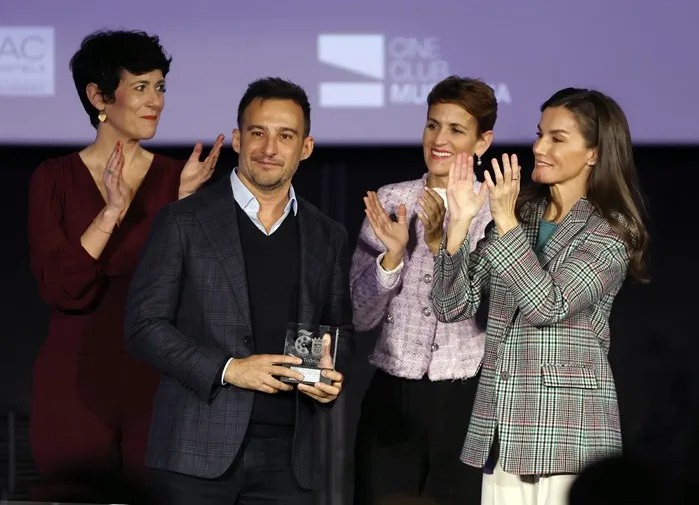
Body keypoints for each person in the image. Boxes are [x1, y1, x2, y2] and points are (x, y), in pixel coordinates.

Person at [125, 77, 353, 504]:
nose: (269, 148)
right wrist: (231, 368)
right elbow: (143, 326)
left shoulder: (329, 235)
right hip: (194, 452)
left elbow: (339, 329)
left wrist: (329, 374)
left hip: (289, 459)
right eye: (257, 132)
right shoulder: (184, 221)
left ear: (305, 147)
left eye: (285, 135)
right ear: (236, 139)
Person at [26, 29, 223, 502]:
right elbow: (61, 288)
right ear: (98, 96)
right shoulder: (53, 179)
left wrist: (184, 207)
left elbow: (197, 293)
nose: (155, 101)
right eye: (140, 87)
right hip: (75, 377)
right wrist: (111, 211)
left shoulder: (181, 178)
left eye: (160, 87)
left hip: (156, 380)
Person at [432, 88, 650, 504]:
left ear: (594, 153)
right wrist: (458, 226)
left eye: (556, 138)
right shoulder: (521, 214)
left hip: (568, 430)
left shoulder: (612, 230)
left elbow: (547, 305)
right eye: (539, 134)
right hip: (502, 428)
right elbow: (449, 305)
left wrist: (504, 219)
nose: (538, 147)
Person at [351, 76, 496, 505]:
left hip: (465, 395)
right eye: (433, 125)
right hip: (393, 392)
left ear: (482, 141)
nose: (439, 139)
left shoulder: (497, 208)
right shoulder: (393, 199)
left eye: (456, 130)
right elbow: (360, 315)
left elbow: (482, 305)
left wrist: (442, 242)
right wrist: (392, 258)